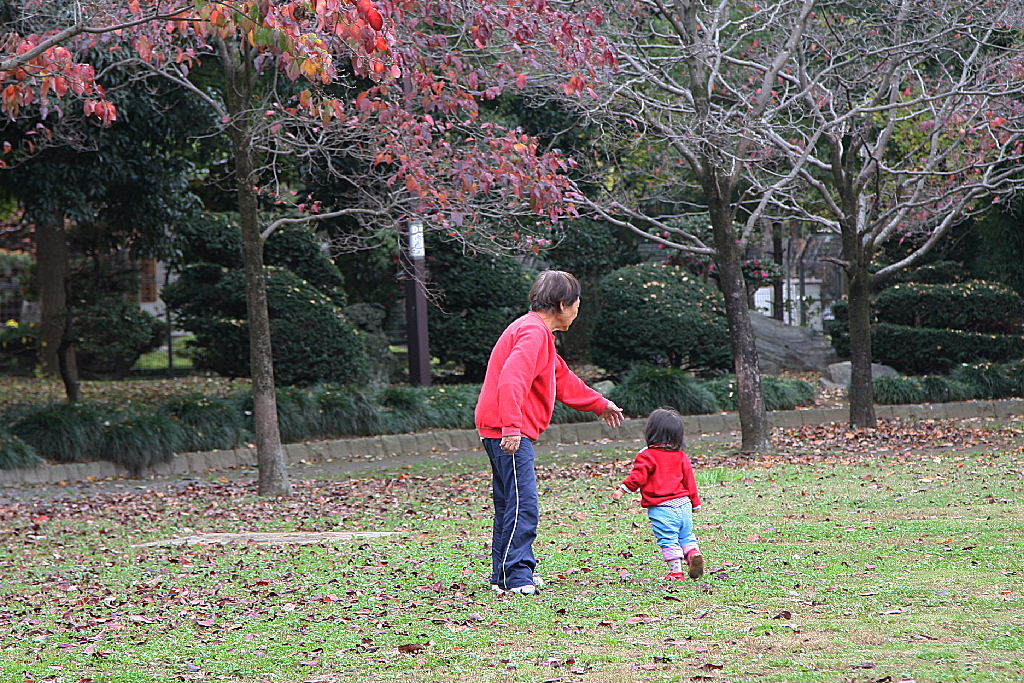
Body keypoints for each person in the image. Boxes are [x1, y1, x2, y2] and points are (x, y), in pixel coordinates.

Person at [475, 270, 624, 595]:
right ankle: (517, 576)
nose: (577, 311)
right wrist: (512, 427)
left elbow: (562, 377)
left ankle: (505, 575)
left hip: (501, 427)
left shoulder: (537, 332)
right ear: (562, 303)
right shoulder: (532, 332)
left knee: (509, 502)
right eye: (576, 304)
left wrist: (599, 404)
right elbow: (512, 379)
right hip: (508, 431)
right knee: (523, 503)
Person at [612, 408, 705, 580]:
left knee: (668, 540)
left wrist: (622, 489)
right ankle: (692, 554)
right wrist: (696, 502)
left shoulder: (647, 456)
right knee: (686, 536)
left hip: (662, 508)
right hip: (684, 505)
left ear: (651, 431)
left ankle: (676, 572)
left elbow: (637, 477)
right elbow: (689, 481)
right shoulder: (681, 456)